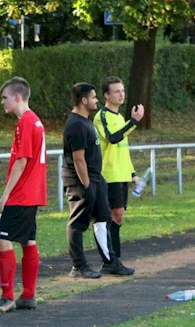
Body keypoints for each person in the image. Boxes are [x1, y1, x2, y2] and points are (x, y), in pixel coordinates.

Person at [0, 77, 47, 312]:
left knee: (2, 239)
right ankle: (28, 295)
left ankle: (7, 297)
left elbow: (22, 160)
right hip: (33, 192)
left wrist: (6, 194)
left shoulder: (26, 122)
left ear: (17, 97)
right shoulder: (35, 121)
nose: (2, 103)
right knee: (28, 241)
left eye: (4, 98)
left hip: (22, 193)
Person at [62, 82, 127, 279]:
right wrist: (87, 186)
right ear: (84, 100)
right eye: (93, 97)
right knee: (77, 223)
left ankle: (110, 262)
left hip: (96, 179)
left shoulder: (86, 121)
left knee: (102, 220)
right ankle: (78, 266)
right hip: (81, 181)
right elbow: (78, 159)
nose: (96, 100)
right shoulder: (75, 124)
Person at [92, 76, 141, 275]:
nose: (121, 94)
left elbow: (123, 148)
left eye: (122, 90)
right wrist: (134, 122)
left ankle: (114, 259)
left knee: (118, 217)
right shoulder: (101, 116)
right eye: (116, 91)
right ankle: (110, 260)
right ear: (106, 95)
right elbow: (113, 138)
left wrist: (132, 173)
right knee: (111, 216)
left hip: (121, 175)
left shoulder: (120, 118)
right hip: (108, 175)